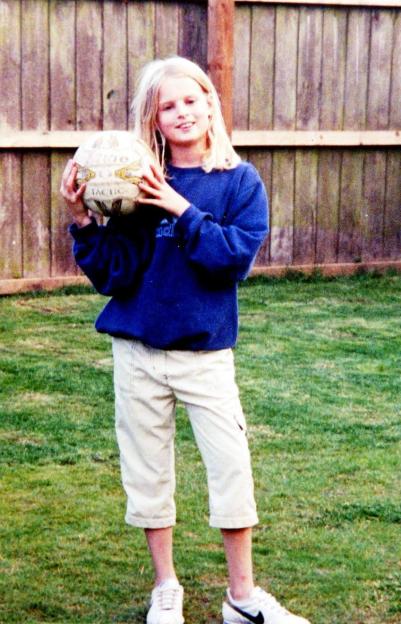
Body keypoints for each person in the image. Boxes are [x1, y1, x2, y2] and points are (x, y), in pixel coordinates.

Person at [60, 56, 311, 624]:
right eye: (166, 105)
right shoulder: (134, 183)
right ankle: (165, 587)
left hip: (206, 355)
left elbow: (229, 260)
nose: (180, 112)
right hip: (139, 352)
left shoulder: (240, 182)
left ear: (209, 104)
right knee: (147, 473)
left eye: (190, 100)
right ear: (152, 117)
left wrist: (178, 207)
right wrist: (81, 220)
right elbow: (114, 276)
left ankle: (241, 597)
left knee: (231, 468)